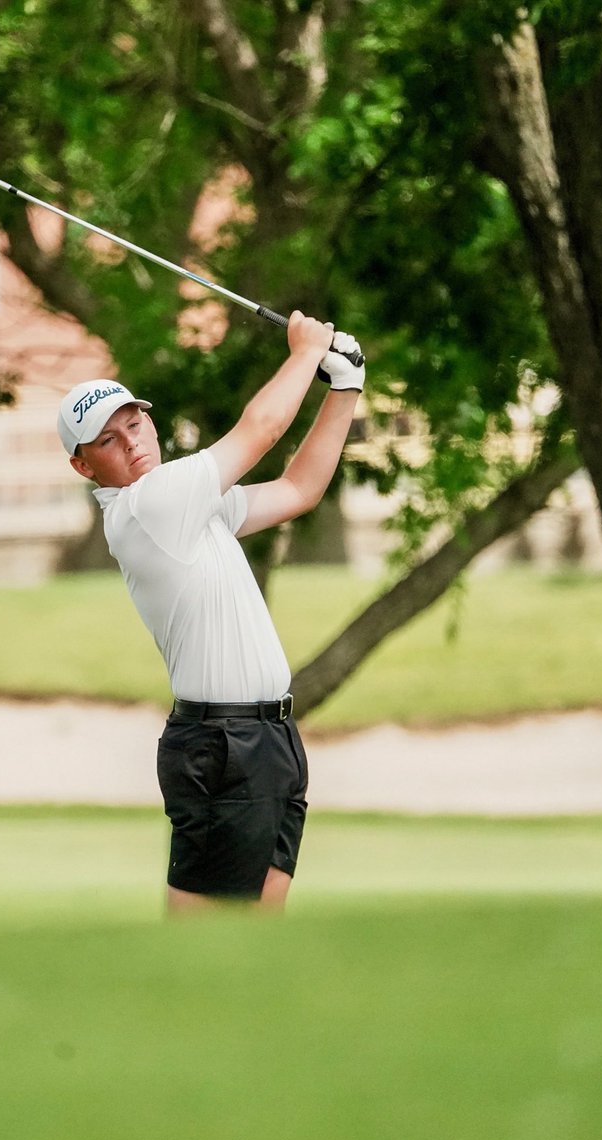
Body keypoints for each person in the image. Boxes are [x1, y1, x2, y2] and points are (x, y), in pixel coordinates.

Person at [57, 312, 365, 913]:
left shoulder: (191, 506)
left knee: (258, 927)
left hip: (266, 736)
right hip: (223, 742)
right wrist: (305, 353)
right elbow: (263, 430)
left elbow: (299, 489)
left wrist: (344, 389)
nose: (132, 442)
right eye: (107, 440)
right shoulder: (149, 504)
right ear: (84, 466)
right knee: (209, 940)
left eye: (134, 423)